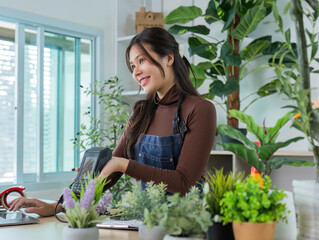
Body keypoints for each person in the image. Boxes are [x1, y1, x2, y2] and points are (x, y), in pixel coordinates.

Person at [8, 27, 216, 216]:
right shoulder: (141, 112)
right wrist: (59, 206)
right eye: (133, 66)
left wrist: (123, 164)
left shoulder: (200, 109)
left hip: (186, 224)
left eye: (142, 61)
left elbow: (184, 182)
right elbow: (108, 173)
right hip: (145, 222)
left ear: (169, 58)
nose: (135, 72)